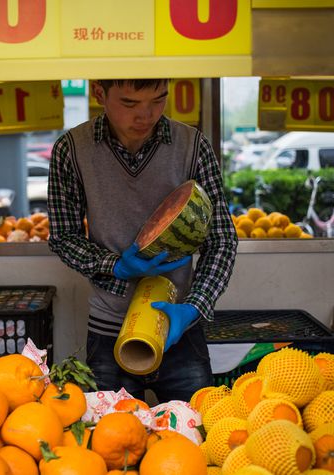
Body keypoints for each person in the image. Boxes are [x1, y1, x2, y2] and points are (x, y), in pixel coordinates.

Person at [48, 79, 238, 403]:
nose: (146, 116)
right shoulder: (72, 149)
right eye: (130, 103)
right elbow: (63, 237)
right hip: (109, 330)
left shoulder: (193, 145)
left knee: (196, 439)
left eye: (158, 100)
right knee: (110, 440)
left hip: (180, 333)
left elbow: (221, 240)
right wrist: (114, 265)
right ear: (99, 94)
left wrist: (194, 308)